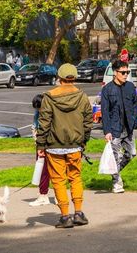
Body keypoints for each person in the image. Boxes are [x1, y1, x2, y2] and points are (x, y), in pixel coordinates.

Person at [36, 63, 93, 229]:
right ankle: (79, 212)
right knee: (75, 178)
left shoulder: (49, 97)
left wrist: (40, 145)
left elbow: (44, 123)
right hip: (75, 145)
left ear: (59, 78)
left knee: (59, 181)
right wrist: (84, 141)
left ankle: (65, 216)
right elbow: (88, 122)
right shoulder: (82, 96)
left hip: (54, 145)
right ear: (74, 77)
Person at [100, 58, 137, 193]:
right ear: (115, 73)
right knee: (115, 156)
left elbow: (135, 105)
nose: (126, 75)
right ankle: (117, 183)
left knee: (131, 154)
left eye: (127, 72)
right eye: (123, 72)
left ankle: (115, 170)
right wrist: (107, 131)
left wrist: (134, 121)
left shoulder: (130, 87)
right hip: (114, 129)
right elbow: (104, 111)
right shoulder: (107, 89)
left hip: (128, 128)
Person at [29, 94, 51, 206]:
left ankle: (45, 195)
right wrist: (36, 141)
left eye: (39, 107)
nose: (38, 110)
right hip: (41, 145)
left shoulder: (48, 114)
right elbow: (34, 127)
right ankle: (43, 194)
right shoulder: (37, 114)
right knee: (43, 170)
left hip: (49, 145)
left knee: (49, 171)